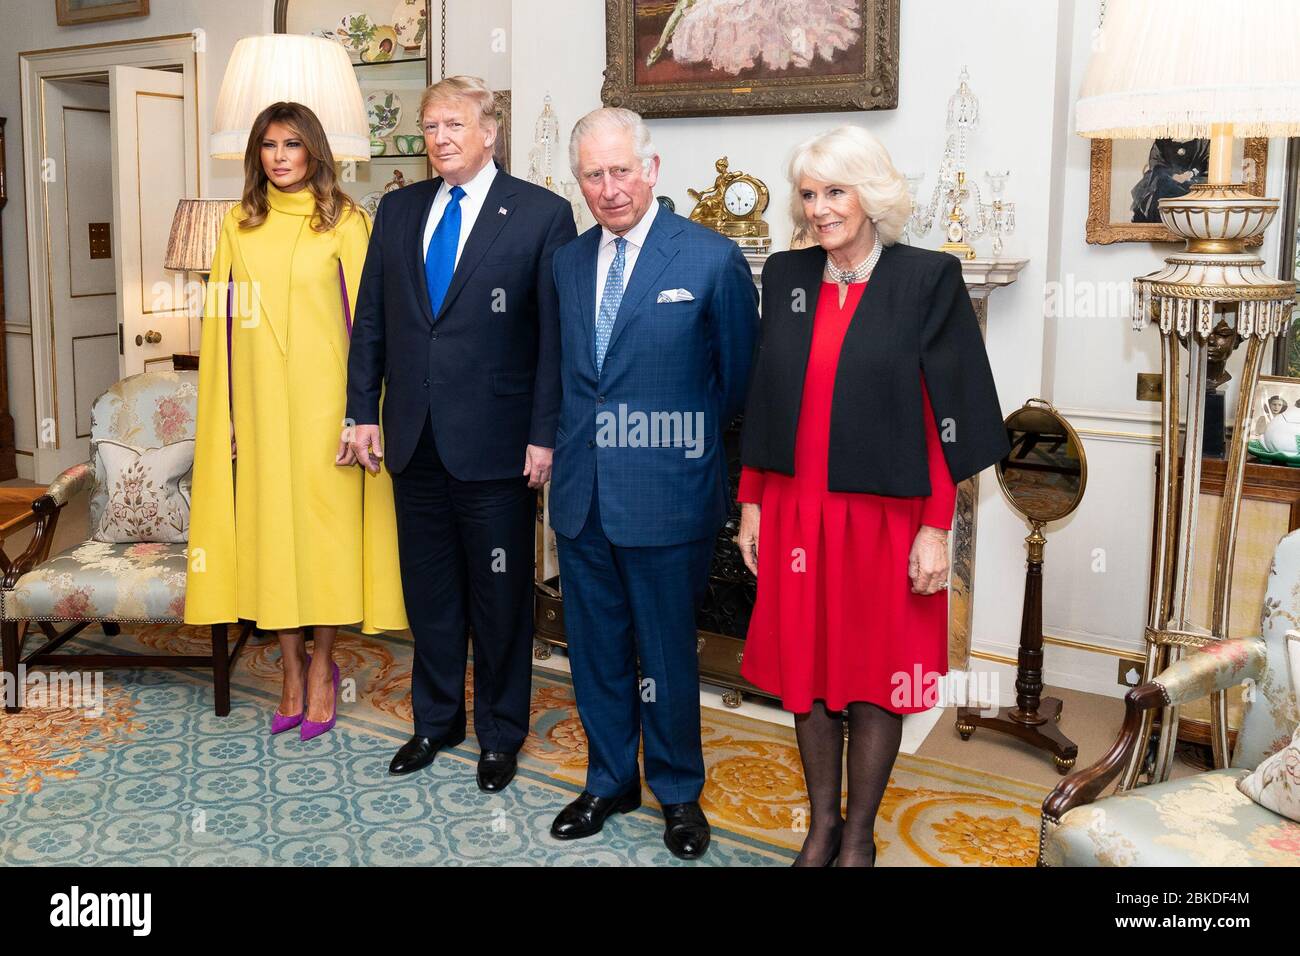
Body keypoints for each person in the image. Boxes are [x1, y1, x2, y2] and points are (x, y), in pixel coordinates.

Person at [736, 125, 1010, 866]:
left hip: (886, 515)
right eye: (809, 195)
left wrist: (935, 528)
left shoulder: (926, 278)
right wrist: (752, 502)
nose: (820, 209)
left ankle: (859, 836)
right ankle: (822, 826)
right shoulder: (787, 277)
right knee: (811, 673)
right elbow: (768, 398)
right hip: (797, 509)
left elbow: (943, 414)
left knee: (875, 678)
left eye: (835, 192)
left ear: (871, 195)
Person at [345, 76, 577, 792]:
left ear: (489, 131)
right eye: (430, 126)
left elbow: (554, 342)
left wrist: (544, 434)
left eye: (453, 125)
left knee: (499, 598)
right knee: (431, 594)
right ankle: (436, 720)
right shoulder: (398, 208)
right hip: (413, 439)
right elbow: (373, 321)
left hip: (500, 445)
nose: (439, 139)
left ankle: (500, 734)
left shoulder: (542, 214)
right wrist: (362, 412)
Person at [547, 107, 759, 860]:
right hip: (581, 495)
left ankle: (677, 792)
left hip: (669, 496)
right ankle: (609, 781)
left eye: (620, 171)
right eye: (592, 176)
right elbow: (565, 375)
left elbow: (736, 384)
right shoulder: (567, 263)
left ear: (653, 169)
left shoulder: (710, 260)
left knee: (666, 656)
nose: (608, 190)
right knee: (595, 650)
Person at [185, 102, 408, 741]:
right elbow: (220, 326)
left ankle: (324, 664)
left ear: (313, 151)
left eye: (292, 144)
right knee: (270, 539)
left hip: (327, 415)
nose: (280, 156)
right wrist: (223, 416)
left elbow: (371, 330)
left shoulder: (344, 221)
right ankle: (289, 663)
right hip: (255, 410)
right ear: (256, 154)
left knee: (326, 541)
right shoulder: (237, 225)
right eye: (268, 145)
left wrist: (363, 415)